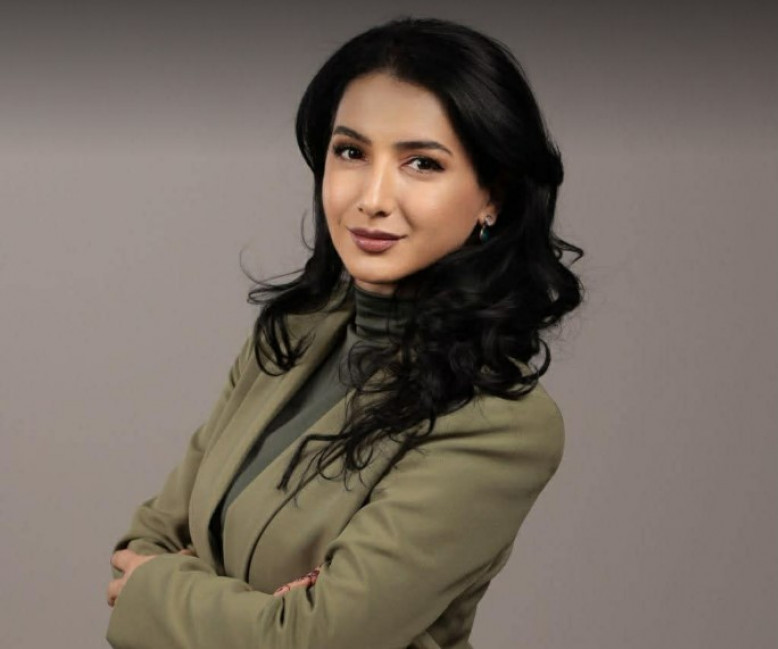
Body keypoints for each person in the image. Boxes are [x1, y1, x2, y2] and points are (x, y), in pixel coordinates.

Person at [105, 15, 583, 649]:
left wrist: (165, 594)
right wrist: (260, 615)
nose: (372, 198)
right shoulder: (293, 334)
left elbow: (316, 639)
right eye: (351, 152)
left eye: (421, 163)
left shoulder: (500, 422)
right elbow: (144, 542)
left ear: (491, 195)